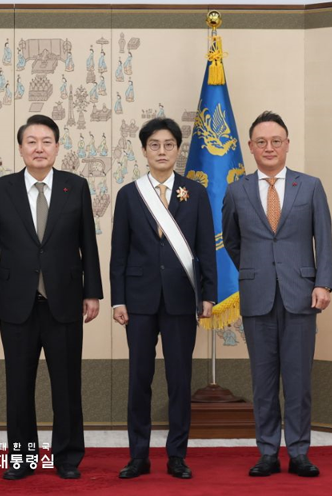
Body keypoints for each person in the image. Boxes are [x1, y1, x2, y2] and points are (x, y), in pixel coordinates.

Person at [0, 114, 103, 481]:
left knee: (67, 384)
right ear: (21, 148)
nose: (39, 148)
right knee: (18, 384)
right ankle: (22, 457)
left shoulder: (75, 187)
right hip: (17, 303)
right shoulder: (2, 190)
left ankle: (66, 457)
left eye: (47, 141)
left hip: (64, 300)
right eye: (31, 141)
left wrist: (92, 291)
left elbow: (87, 245)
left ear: (57, 147)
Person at [222, 111, 332, 478]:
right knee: (264, 380)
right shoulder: (237, 190)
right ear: (251, 148)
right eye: (261, 142)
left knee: (299, 380)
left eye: (276, 141)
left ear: (287, 145)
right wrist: (255, 273)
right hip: (257, 297)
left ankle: (299, 452)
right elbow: (233, 243)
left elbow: (324, 239)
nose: (269, 148)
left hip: (301, 295)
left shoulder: (311, 186)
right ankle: (268, 451)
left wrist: (322, 282)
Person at [110, 118, 217, 481]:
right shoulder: (129, 194)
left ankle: (177, 455)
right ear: (144, 150)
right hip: (138, 301)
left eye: (168, 144)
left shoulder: (195, 193)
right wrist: (118, 299)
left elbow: (206, 247)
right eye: (154, 145)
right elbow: (119, 253)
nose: (161, 151)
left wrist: (208, 295)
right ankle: (138, 455)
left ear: (177, 150)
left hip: (181, 299)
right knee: (139, 379)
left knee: (179, 380)